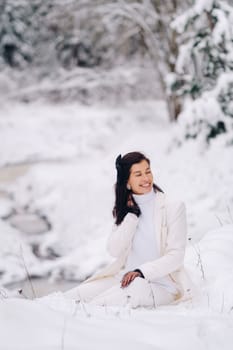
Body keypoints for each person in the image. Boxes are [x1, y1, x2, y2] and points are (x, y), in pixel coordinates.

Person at [65, 151, 195, 308]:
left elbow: (176, 256)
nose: (146, 178)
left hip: (162, 285)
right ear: (127, 182)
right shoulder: (128, 209)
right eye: (138, 174)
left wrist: (141, 272)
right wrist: (132, 216)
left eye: (148, 171)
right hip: (124, 278)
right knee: (72, 297)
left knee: (97, 305)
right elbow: (114, 250)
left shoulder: (173, 207)